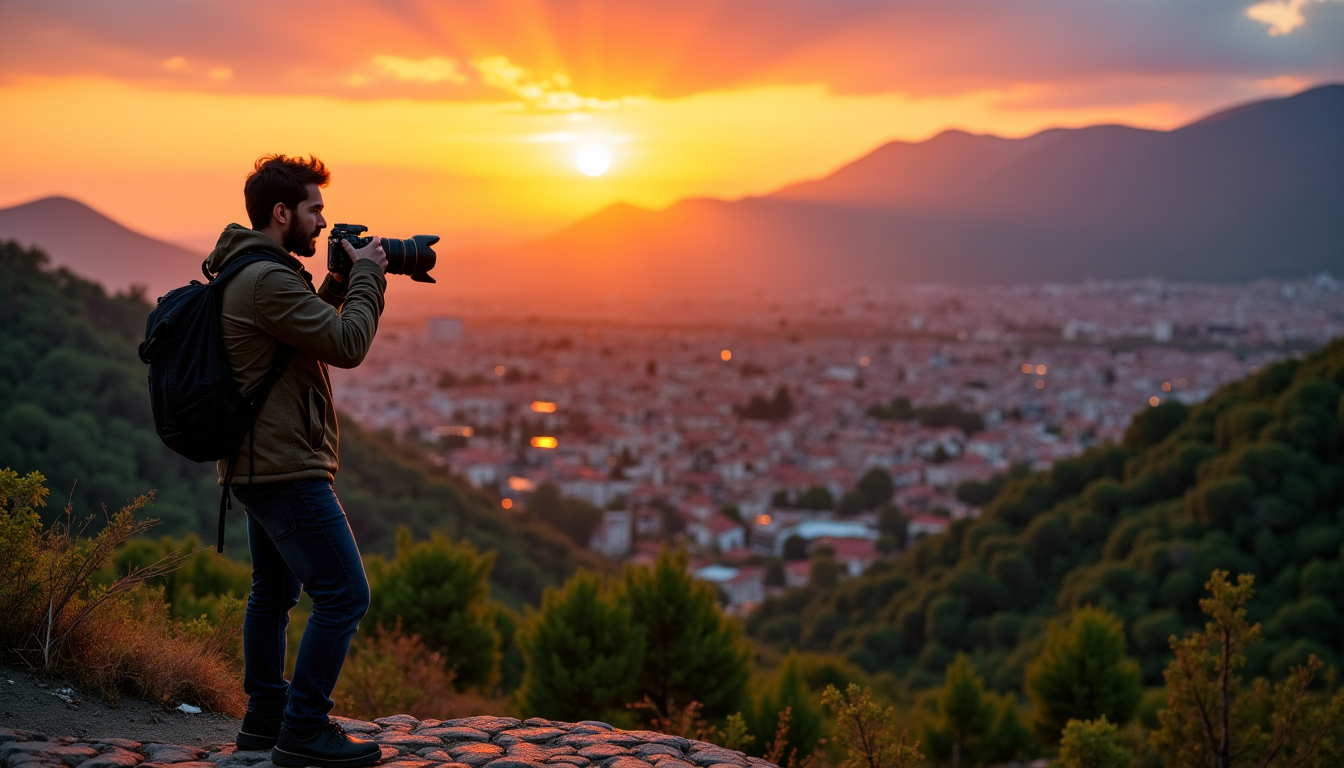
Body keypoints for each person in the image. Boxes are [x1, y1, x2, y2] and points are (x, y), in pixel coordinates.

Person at [206, 154, 387, 767]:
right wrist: (369, 276)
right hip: (284, 468)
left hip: (257, 464)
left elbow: (299, 331)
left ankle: (264, 719)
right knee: (344, 596)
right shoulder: (267, 279)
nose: (321, 223)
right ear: (281, 213)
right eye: (314, 210)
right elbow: (346, 344)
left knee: (273, 592)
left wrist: (335, 284)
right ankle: (303, 728)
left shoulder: (250, 270)